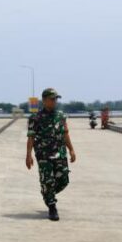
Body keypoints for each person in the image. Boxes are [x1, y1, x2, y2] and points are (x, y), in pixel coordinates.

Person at [26, 88, 76, 221]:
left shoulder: (60, 115)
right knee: (48, 180)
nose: (55, 101)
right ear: (44, 100)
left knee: (63, 180)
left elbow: (65, 134)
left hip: (60, 153)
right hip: (44, 155)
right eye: (52, 99)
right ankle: (52, 207)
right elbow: (31, 137)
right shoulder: (35, 118)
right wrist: (28, 155)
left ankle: (47, 192)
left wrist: (71, 149)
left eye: (56, 99)